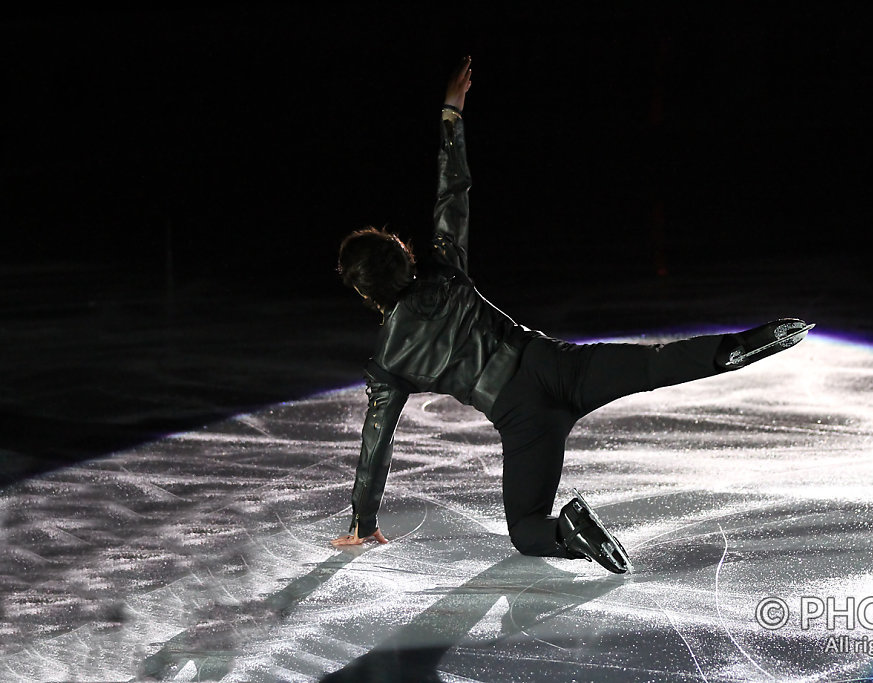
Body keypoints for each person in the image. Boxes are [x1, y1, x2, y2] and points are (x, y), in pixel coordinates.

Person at [329, 57, 812, 573]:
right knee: (656, 364)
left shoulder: (387, 363)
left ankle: (571, 528)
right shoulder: (445, 269)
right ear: (404, 255)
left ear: (364, 290)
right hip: (551, 363)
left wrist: (362, 520)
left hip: (522, 420)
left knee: (526, 530)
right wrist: (451, 113)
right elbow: (455, 190)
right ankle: (739, 345)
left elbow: (376, 445)